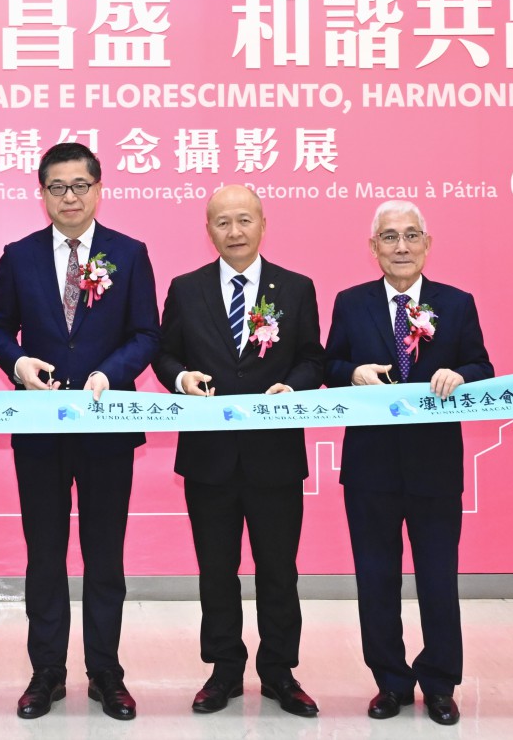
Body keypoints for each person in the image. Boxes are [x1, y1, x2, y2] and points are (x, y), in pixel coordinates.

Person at [0, 142, 160, 721]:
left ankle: (106, 672)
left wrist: (109, 373)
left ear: (98, 189)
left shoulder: (128, 253)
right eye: (57, 187)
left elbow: (146, 333)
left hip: (106, 426)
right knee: (44, 554)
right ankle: (47, 672)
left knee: (104, 555)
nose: (69, 197)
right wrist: (18, 364)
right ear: (42, 193)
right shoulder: (19, 256)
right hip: (39, 427)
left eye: (79, 185)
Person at [153, 185, 324, 717]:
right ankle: (224, 670)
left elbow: (313, 358)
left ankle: (279, 672)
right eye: (222, 222)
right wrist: (181, 378)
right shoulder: (186, 289)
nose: (234, 231)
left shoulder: (295, 288)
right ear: (209, 230)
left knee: (279, 570)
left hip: (275, 457)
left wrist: (294, 387)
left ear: (263, 224)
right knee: (216, 570)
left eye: (244, 220)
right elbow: (164, 354)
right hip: (209, 459)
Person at [324, 200, 493, 727]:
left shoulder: (456, 303)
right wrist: (352, 373)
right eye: (390, 236)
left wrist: (461, 375)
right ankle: (391, 681)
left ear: (427, 243)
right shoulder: (351, 302)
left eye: (411, 235)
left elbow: (482, 365)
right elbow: (329, 364)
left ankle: (440, 683)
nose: (401, 246)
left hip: (434, 466)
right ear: (373, 246)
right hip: (370, 466)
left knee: (438, 579)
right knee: (376, 579)